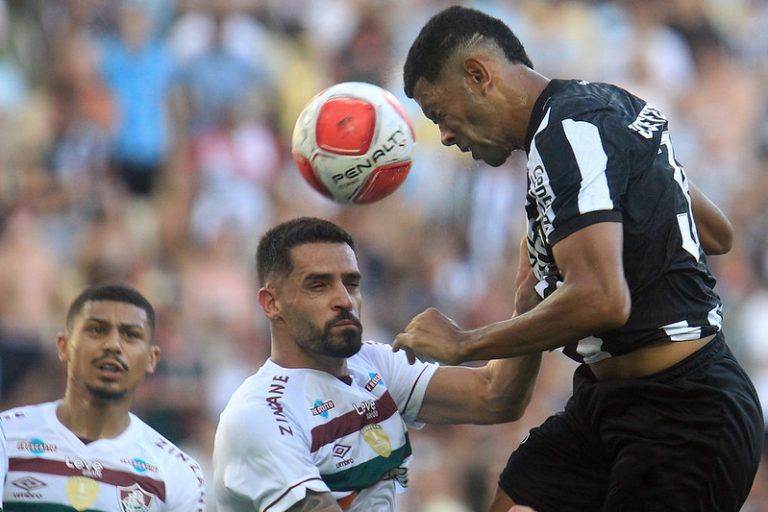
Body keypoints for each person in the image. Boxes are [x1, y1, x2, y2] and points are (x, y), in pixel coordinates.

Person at [394, 6, 763, 512]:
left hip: (685, 414)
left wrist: (464, 342)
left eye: (440, 115)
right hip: (611, 405)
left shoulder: (567, 131)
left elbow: (603, 300)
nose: (447, 136)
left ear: (478, 76)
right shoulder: (605, 109)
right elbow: (716, 232)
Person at [212, 216, 542, 511]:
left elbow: (496, 396)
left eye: (351, 283)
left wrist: (530, 303)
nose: (344, 300)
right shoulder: (260, 414)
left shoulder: (372, 363)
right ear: (271, 304)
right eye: (319, 285)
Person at [0, 283, 206, 511]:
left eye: (131, 335)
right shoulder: (7, 437)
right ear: (63, 346)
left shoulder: (175, 471)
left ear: (152, 358)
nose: (112, 345)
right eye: (97, 330)